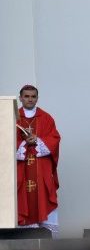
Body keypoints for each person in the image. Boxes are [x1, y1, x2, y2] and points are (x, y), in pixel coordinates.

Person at [15, 85, 61, 236]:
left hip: (41, 169)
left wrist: (38, 140)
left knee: (43, 197)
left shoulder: (46, 118)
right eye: (26, 96)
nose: (30, 99)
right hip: (21, 170)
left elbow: (55, 139)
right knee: (22, 198)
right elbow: (5, 141)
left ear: (37, 98)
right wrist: (22, 143)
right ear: (20, 98)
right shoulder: (13, 117)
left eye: (33, 96)